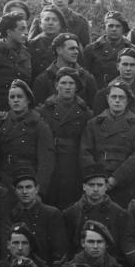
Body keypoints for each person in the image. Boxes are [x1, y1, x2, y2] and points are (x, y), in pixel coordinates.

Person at [80, 81, 135, 207]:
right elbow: (85, 153)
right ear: (107, 99)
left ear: (128, 100)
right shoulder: (93, 124)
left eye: (121, 97)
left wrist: (115, 179)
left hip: (125, 183)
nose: (117, 101)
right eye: (113, 97)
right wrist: (98, 179)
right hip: (98, 184)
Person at [37, 67, 91, 207]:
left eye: (71, 83)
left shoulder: (85, 112)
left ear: (77, 87)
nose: (67, 87)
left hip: (74, 161)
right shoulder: (45, 110)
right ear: (56, 85)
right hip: (52, 158)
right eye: (63, 83)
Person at [0, 80, 53, 192]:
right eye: (12, 97)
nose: (16, 100)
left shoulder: (39, 126)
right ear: (8, 101)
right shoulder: (0, 124)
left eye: (20, 96)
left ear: (28, 100)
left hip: (28, 183)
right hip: (3, 182)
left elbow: (46, 162)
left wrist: (38, 190)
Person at [61, 165, 133, 260]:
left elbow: (122, 246)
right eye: (91, 185)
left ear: (106, 187)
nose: (95, 189)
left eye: (99, 185)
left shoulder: (119, 213)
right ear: (84, 187)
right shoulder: (71, 213)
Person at [7, 171, 66, 264]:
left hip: (44, 266)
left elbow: (59, 249)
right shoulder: (11, 214)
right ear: (15, 190)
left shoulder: (51, 214)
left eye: (28, 187)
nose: (24, 192)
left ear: (37, 189)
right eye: (20, 188)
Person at [82, 10, 134, 86]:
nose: (114, 29)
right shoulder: (91, 50)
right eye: (111, 26)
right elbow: (85, 76)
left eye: (118, 26)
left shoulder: (131, 49)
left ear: (123, 28)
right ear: (105, 27)